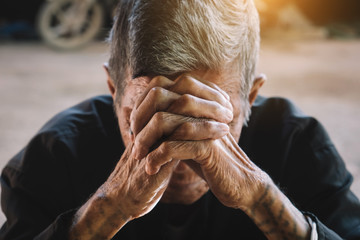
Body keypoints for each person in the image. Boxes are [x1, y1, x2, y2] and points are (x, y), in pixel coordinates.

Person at [1, 0, 360, 239]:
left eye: (208, 119)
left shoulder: (298, 145)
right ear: (114, 88)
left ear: (251, 96)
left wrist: (258, 195)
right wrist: (111, 206)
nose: (182, 155)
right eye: (148, 119)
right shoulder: (57, 154)